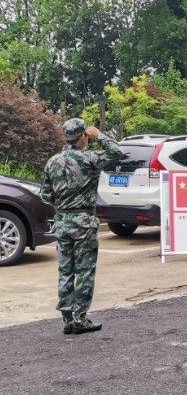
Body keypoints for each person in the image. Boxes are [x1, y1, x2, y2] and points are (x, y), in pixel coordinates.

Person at [40, 119, 123, 334]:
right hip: (84, 223)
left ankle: (67, 319)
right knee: (84, 271)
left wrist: (63, 205)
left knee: (65, 271)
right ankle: (80, 318)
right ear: (83, 136)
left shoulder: (53, 162)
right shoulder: (90, 159)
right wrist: (99, 135)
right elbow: (117, 152)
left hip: (62, 222)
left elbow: (45, 194)